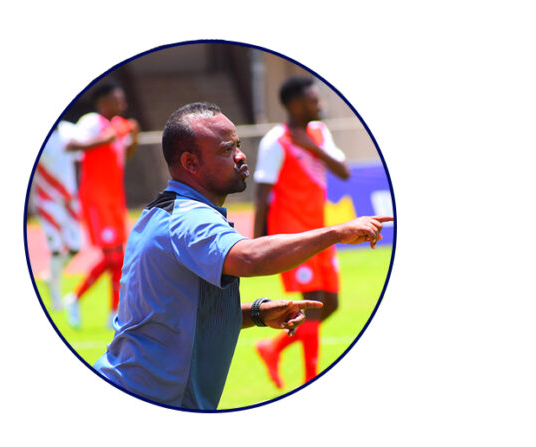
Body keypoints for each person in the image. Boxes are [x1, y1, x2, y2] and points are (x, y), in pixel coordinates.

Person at [93, 103, 391, 410]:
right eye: (226, 150)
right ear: (190, 163)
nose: (240, 155)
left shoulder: (168, 209)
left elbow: (181, 314)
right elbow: (250, 258)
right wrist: (336, 233)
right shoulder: (188, 218)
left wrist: (257, 313)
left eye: (238, 145)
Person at [252, 76, 351, 388]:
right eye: (313, 100)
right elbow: (262, 194)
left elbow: (344, 172)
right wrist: (256, 242)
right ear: (295, 105)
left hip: (322, 232)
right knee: (315, 301)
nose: (319, 105)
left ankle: (272, 348)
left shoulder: (320, 133)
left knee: (331, 303)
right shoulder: (275, 141)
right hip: (292, 234)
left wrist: (310, 146)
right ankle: (311, 380)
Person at [62, 81, 139, 329]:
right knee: (113, 256)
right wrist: (108, 136)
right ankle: (74, 297)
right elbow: (72, 146)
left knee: (119, 258)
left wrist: (134, 138)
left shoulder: (117, 125)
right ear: (104, 102)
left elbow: (123, 155)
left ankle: (113, 314)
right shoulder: (92, 122)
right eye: (118, 100)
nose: (123, 105)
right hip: (96, 198)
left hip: (115, 198)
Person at [32, 120, 83, 311]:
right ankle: (56, 301)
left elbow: (79, 159)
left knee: (75, 246)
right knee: (55, 248)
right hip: (47, 201)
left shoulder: (69, 130)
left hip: (69, 199)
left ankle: (50, 277)